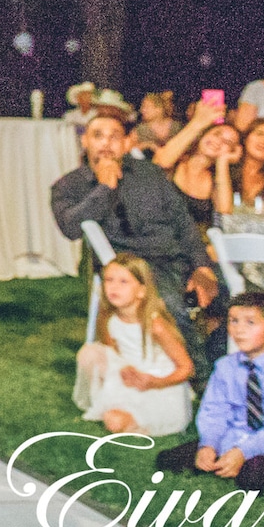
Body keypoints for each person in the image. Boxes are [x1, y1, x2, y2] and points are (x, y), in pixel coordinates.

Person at [51, 112, 220, 362]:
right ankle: (198, 376)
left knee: (243, 296)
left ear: (128, 142)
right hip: (133, 267)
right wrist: (104, 188)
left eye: (114, 136)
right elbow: (70, 227)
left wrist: (203, 266)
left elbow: (182, 222)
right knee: (172, 303)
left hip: (179, 258)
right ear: (85, 141)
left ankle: (228, 368)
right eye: (98, 136)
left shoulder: (149, 174)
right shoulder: (71, 185)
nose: (106, 143)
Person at [154, 291, 264, 491]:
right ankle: (222, 457)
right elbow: (214, 411)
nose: (239, 330)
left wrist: (244, 451)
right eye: (234, 321)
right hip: (233, 436)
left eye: (250, 323)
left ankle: (245, 463)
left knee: (253, 477)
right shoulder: (225, 367)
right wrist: (209, 445)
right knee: (169, 459)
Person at [73, 253, 194, 436]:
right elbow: (114, 349)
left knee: (115, 422)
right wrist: (125, 368)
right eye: (109, 280)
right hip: (132, 376)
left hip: (159, 385)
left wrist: (154, 382)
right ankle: (112, 404)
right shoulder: (109, 317)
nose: (114, 287)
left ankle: (142, 420)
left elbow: (186, 368)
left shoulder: (155, 326)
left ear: (142, 291)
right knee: (89, 353)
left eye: (123, 282)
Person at [220, 118, 264, 213]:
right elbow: (223, 211)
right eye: (260, 134)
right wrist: (222, 162)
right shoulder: (225, 169)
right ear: (246, 138)